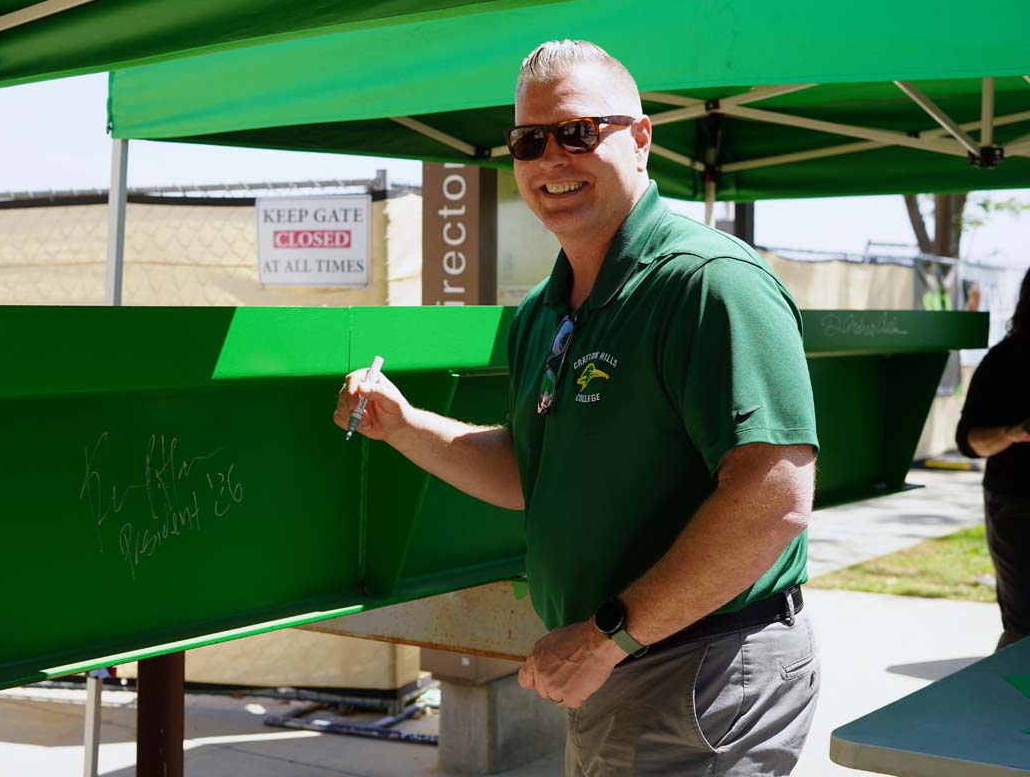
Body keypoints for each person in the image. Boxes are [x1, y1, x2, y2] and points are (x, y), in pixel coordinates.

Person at [333, 40, 819, 776]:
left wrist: (606, 636)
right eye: (529, 141)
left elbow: (773, 498)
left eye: (578, 132)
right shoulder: (542, 311)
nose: (552, 158)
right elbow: (533, 470)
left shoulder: (708, 283)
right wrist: (403, 426)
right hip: (616, 665)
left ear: (642, 138)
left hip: (700, 666)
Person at [956, 266, 1030, 650]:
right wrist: (1013, 433)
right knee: (1023, 630)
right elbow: (969, 441)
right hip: (1018, 507)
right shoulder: (1005, 362)